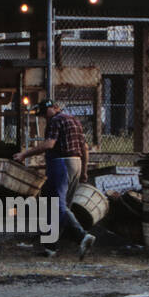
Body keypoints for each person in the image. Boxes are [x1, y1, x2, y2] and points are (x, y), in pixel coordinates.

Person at [14, 99, 95, 259]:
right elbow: (84, 148)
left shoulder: (56, 121)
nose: (45, 117)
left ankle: (82, 236)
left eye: (45, 113)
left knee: (58, 206)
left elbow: (49, 144)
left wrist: (24, 154)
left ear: (54, 108)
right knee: (60, 206)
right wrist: (84, 170)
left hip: (61, 164)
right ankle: (50, 247)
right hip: (76, 163)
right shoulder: (75, 121)